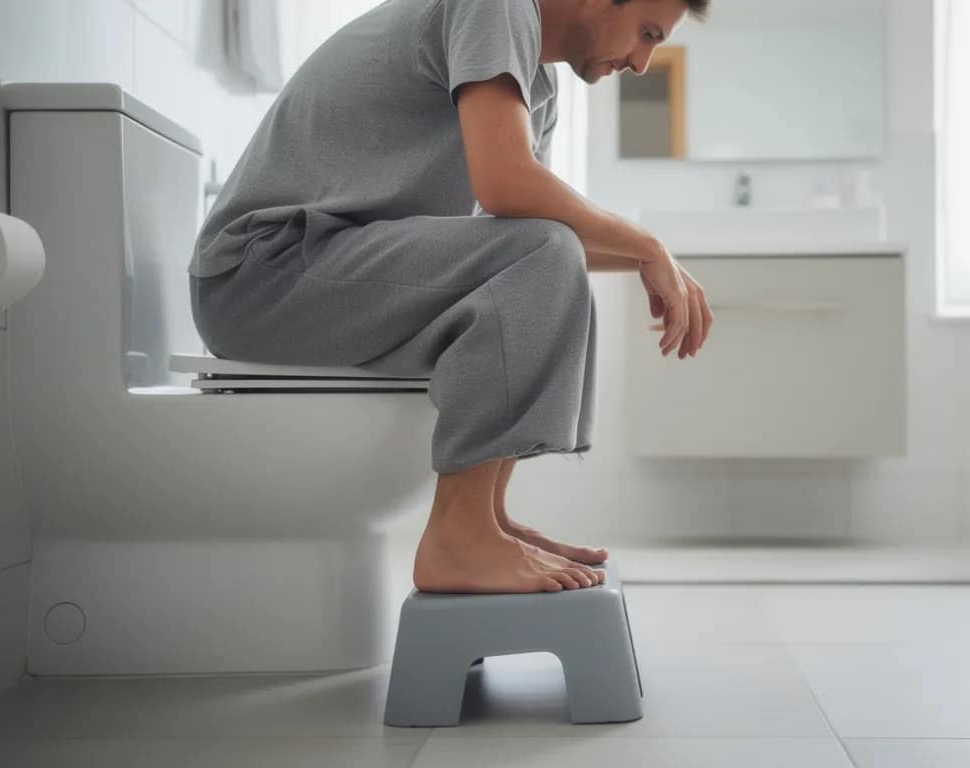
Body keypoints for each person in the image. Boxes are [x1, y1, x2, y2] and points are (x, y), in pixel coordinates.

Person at [188, 0, 713, 595]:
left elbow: (524, 231)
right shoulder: (498, 7)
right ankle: (460, 535)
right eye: (647, 34)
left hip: (320, 270)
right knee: (544, 253)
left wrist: (648, 261)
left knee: (546, 255)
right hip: (261, 271)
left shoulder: (535, 86)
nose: (644, 64)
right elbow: (508, 187)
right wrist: (647, 246)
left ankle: (485, 519)